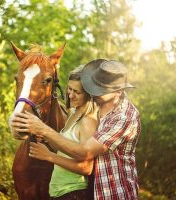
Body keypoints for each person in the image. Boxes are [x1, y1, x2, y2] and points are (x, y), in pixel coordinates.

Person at [11, 59, 141, 200]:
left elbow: (85, 153)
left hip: (113, 191)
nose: (94, 92)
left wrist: (44, 132)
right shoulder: (96, 107)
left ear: (118, 91)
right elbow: (71, 145)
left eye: (100, 90)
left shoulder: (123, 117)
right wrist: (47, 138)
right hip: (95, 190)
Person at [25, 67, 98, 200]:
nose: (70, 95)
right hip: (59, 192)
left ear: (89, 94)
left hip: (74, 193)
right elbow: (66, 148)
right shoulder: (72, 113)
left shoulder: (89, 121)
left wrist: (49, 156)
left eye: (77, 92)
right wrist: (47, 139)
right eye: (69, 89)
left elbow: (86, 168)